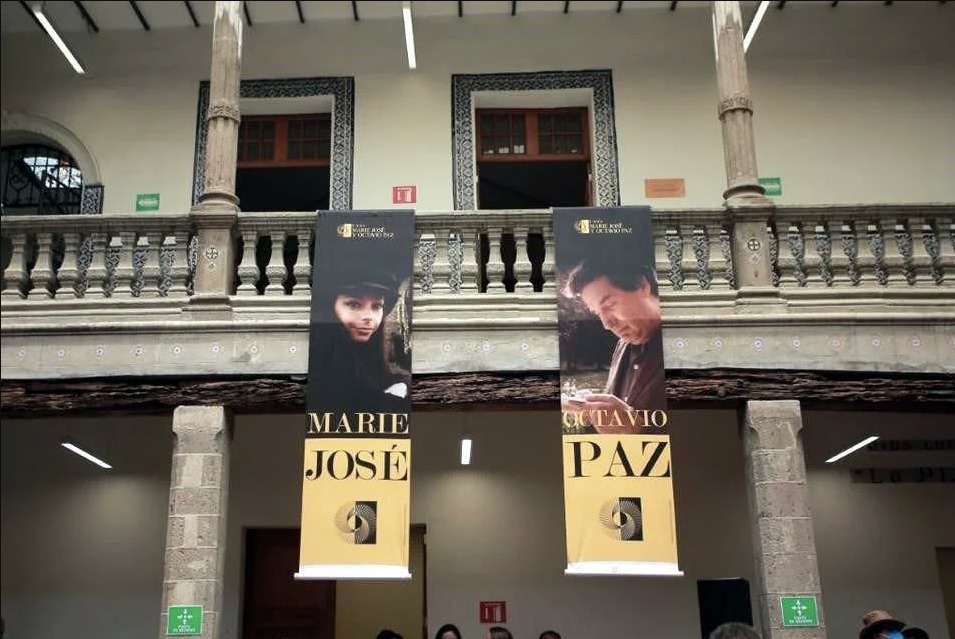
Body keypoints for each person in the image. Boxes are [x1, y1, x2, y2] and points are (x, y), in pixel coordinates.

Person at [560, 257, 666, 434]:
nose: (606, 324)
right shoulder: (623, 345)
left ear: (642, 286)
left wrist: (638, 431)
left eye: (609, 305)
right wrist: (596, 408)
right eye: (597, 312)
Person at [308, 263, 411, 415]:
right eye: (354, 304)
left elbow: (392, 378)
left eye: (376, 306)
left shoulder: (368, 350)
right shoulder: (323, 355)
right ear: (331, 306)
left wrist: (401, 385)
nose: (368, 317)